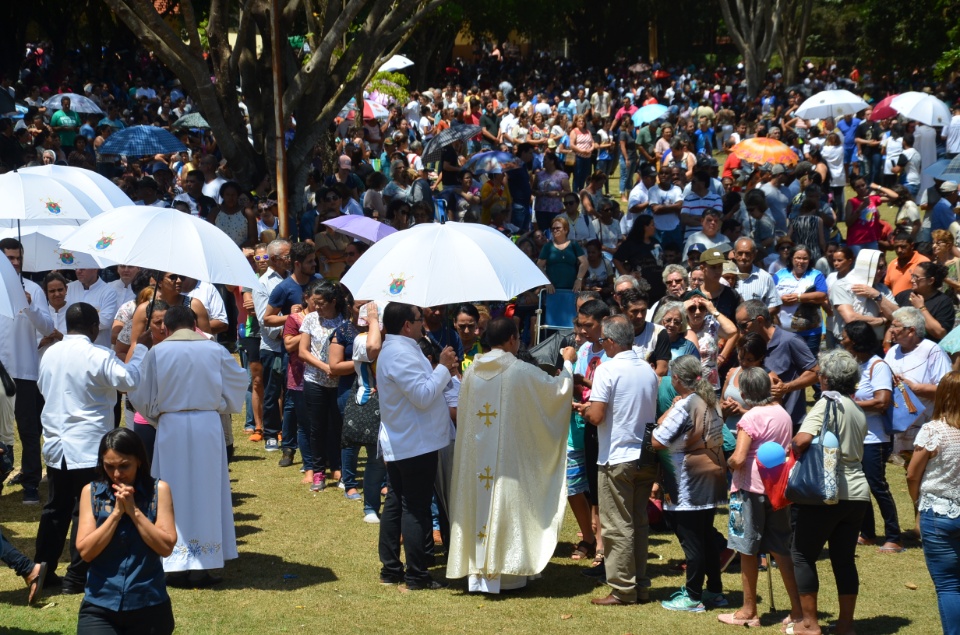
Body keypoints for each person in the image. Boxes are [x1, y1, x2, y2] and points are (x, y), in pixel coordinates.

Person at [446, 318, 575, 593]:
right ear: (513, 340)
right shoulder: (520, 371)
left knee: (481, 502)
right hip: (509, 461)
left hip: (476, 459)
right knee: (507, 501)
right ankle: (509, 575)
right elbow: (556, 393)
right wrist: (569, 365)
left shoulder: (471, 372)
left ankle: (479, 573)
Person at [127, 305, 246, 587]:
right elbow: (239, 380)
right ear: (195, 325)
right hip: (206, 425)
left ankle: (174, 561)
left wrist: (157, 415)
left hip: (172, 427)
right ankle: (203, 563)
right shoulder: (214, 350)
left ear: (165, 328)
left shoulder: (158, 352)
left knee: (172, 492)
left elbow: (139, 392)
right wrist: (220, 404)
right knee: (207, 491)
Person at [36, 303, 148, 594]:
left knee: (55, 509)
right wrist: (143, 348)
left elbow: (41, 387)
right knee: (85, 509)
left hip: (57, 442)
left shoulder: (50, 354)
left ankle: (43, 569)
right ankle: (76, 576)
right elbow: (129, 380)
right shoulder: (98, 355)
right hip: (87, 444)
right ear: (93, 327)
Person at [377, 303, 458, 590]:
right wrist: (444, 369)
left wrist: (439, 369)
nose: (423, 323)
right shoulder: (399, 353)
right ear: (406, 325)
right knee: (414, 507)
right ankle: (416, 575)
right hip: (414, 442)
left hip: (409, 439)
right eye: (419, 318)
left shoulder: (403, 348)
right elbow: (423, 395)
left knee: (398, 502)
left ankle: (391, 569)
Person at [790, 349, 870, 635]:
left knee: (801, 554)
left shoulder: (826, 405)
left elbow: (801, 441)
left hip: (825, 492)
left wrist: (792, 444)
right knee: (844, 560)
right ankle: (845, 626)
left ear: (826, 378)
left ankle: (809, 624)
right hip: (857, 494)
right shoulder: (857, 408)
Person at [584, 315, 659, 606]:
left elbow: (598, 415)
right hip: (645, 455)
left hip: (617, 456)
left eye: (603, 341)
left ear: (612, 342)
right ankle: (639, 585)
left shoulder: (608, 369)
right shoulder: (648, 370)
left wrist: (584, 411)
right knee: (638, 523)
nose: (601, 346)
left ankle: (623, 589)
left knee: (617, 525)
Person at [718, 367, 802, 628]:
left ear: (743, 393)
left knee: (746, 549)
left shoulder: (750, 418)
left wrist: (726, 462)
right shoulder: (783, 414)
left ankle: (748, 610)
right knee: (781, 550)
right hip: (776, 489)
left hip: (749, 491)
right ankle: (798, 610)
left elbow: (740, 458)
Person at [75, 429, 177, 635]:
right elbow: (86, 551)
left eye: (124, 466)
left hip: (149, 604)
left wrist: (134, 511)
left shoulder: (159, 491)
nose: (117, 474)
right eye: (109, 467)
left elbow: (166, 547)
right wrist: (115, 515)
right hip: (100, 606)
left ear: (139, 460)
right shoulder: (91, 493)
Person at [652, 355, 728, 612]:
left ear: (675, 379)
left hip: (687, 482)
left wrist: (666, 414)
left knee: (693, 543)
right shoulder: (710, 400)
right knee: (706, 539)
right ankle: (716, 592)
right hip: (711, 478)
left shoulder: (685, 405)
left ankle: (694, 596)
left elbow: (658, 441)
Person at [907, 371, 960, 635]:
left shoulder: (933, 430)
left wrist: (916, 500)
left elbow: (912, 473)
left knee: (949, 585)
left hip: (938, 513)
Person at [841, 322, 901, 552]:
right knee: (860, 487)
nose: (841, 339)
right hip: (856, 437)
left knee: (877, 486)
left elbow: (882, 401)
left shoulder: (879, 366)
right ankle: (867, 533)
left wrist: (850, 404)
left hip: (875, 438)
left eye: (844, 337)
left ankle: (894, 536)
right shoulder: (856, 365)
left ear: (856, 341)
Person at [299, 281, 348, 491]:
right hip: (315, 381)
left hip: (340, 382)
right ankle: (318, 470)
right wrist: (325, 366)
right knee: (317, 427)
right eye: (314, 302)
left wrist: (336, 369)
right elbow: (303, 351)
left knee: (338, 426)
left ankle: (338, 467)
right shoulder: (310, 319)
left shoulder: (345, 321)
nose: (316, 307)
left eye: (320, 303)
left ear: (333, 302)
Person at [884, 307, 952, 458]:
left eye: (895, 326)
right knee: (909, 470)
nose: (891, 330)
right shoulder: (893, 351)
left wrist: (915, 388)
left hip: (927, 423)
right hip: (900, 423)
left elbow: (948, 389)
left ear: (911, 330)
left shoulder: (931, 350)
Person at [538, 216, 588, 292]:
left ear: (565, 230)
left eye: (558, 228)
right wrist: (547, 282)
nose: (555, 230)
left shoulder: (574, 245)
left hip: (572, 290)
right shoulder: (547, 246)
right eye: (553, 228)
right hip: (552, 290)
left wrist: (579, 279)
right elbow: (539, 265)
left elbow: (584, 262)